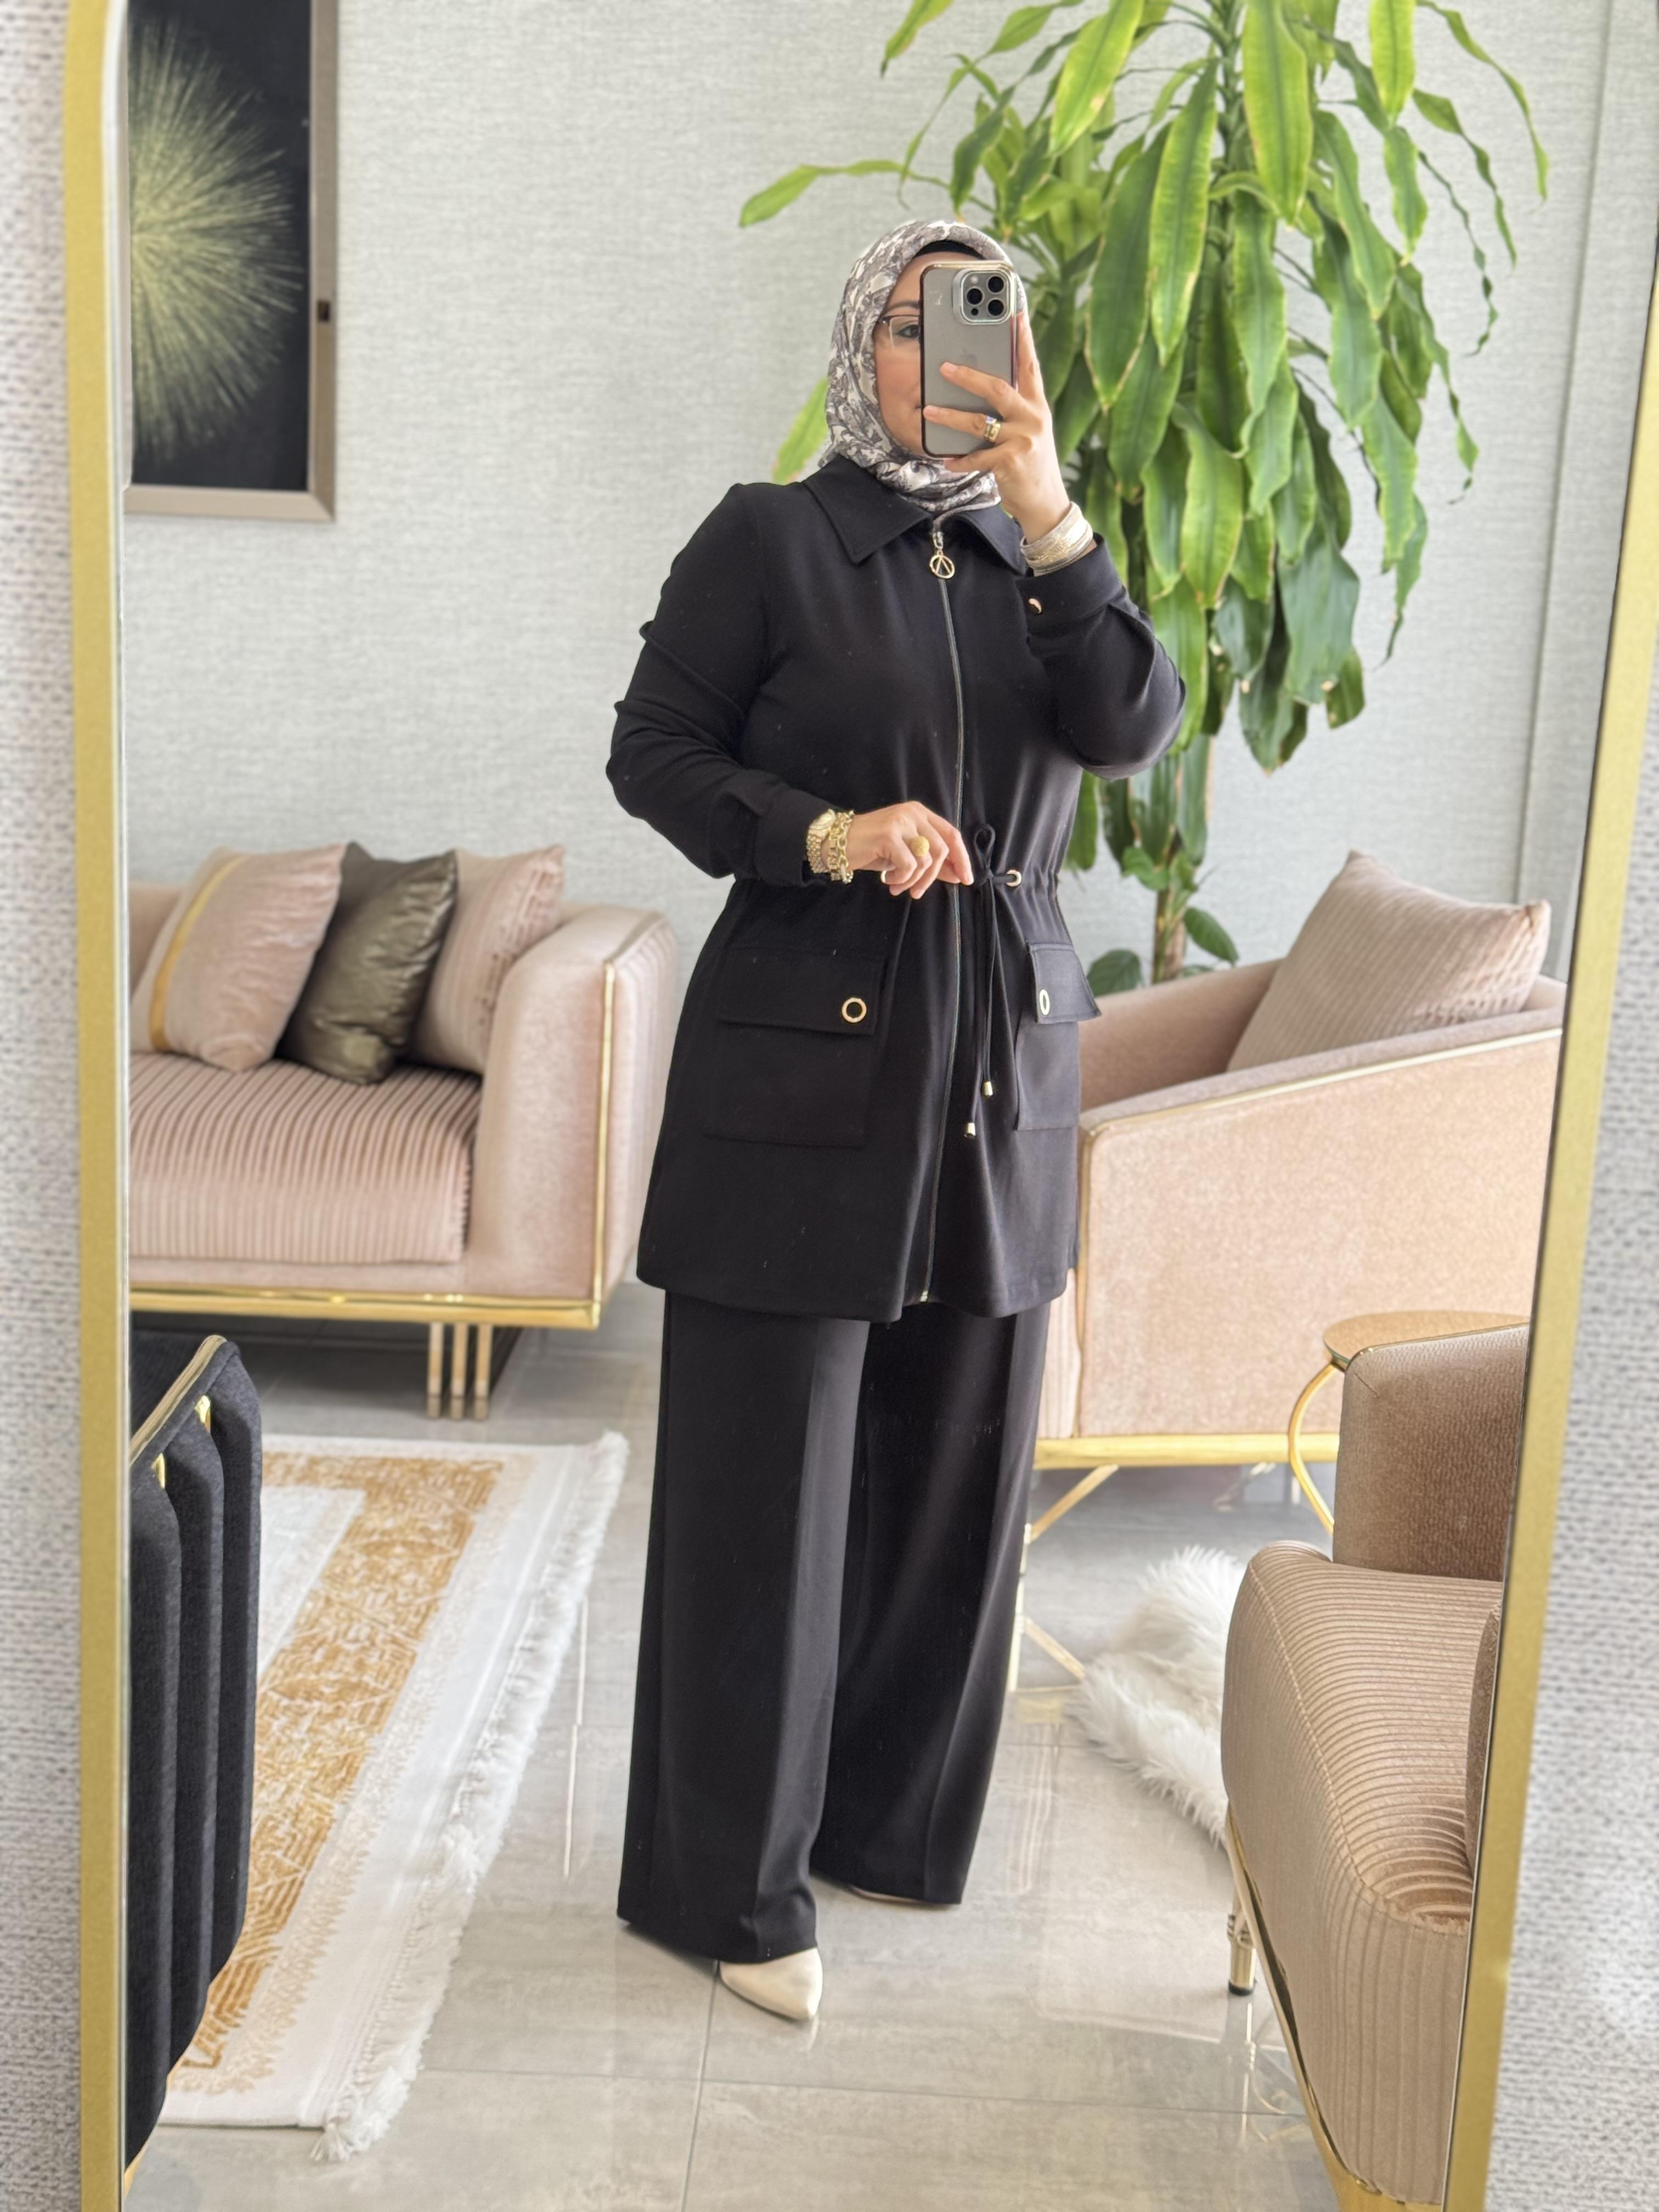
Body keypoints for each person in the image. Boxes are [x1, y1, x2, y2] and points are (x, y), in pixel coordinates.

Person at [605, 216, 1184, 2022]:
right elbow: (653, 753)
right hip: (805, 1049)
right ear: (865, 345)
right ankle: (731, 1889)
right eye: (920, 328)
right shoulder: (770, 537)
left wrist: (1052, 511)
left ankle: (886, 1828)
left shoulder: (1043, 563)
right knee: (766, 1495)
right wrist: (829, 833)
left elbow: (1131, 728)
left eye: (982, 325)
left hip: (1001, 1062)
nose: (951, 361)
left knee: (957, 1473)